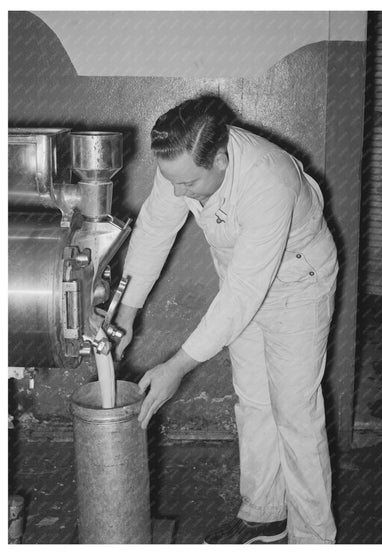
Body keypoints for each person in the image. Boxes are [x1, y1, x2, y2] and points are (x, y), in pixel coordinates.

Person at [114, 95, 338, 544]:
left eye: (189, 183)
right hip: (242, 274)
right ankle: (265, 514)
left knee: (295, 411)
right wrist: (126, 311)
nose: (179, 192)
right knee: (252, 400)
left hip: (296, 282)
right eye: (171, 180)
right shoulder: (182, 164)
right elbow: (157, 227)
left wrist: (177, 365)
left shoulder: (268, 180)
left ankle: (314, 539)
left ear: (220, 158)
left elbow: (243, 295)